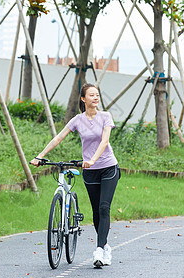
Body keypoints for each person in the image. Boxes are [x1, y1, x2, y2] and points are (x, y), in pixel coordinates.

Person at [30, 83, 120, 267]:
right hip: (90, 171)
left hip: (108, 167)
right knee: (96, 212)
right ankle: (105, 246)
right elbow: (59, 137)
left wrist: (93, 159)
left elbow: (104, 141)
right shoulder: (78, 120)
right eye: (92, 95)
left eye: (97, 95)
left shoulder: (105, 116)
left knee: (104, 208)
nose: (96, 97)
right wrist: (40, 156)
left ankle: (99, 250)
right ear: (83, 98)